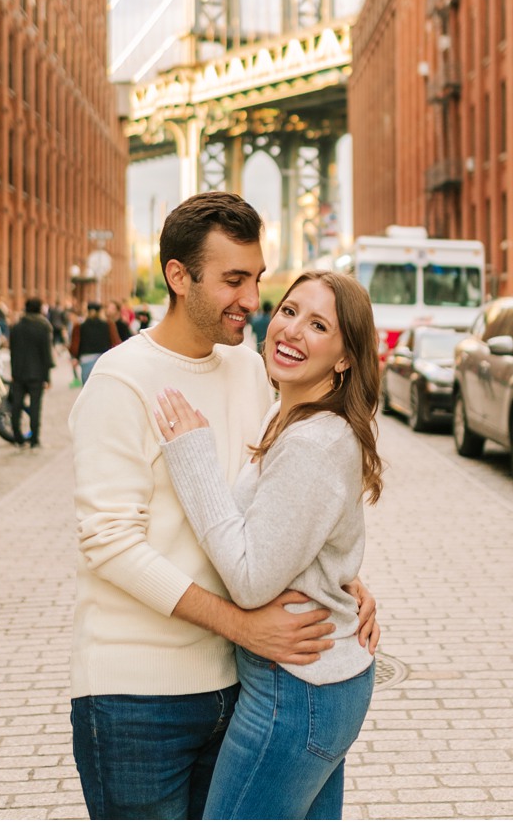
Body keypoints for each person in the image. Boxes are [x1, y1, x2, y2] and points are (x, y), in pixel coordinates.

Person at [68, 192, 377, 820]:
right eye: (233, 280)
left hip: (237, 685)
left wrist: (339, 579)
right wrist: (240, 624)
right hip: (137, 699)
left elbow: (272, 505)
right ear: (178, 277)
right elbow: (108, 542)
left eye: (257, 279)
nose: (252, 301)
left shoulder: (247, 369)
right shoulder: (120, 379)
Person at [153, 269, 382, 818]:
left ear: (345, 357)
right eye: (288, 311)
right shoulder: (292, 413)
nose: (293, 330)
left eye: (319, 324)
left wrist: (192, 457)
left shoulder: (313, 442)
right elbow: (301, 534)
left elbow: (253, 581)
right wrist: (337, 579)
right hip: (317, 685)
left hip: (295, 691)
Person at [7, 297, 55, 449]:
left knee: (16, 405)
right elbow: (46, 354)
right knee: (35, 407)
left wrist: (14, 371)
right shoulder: (43, 327)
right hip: (37, 374)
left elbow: (12, 351)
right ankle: (34, 439)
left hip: (19, 373)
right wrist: (47, 377)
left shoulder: (16, 327)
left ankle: (17, 437)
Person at [70, 301, 121, 386]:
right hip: (103, 359)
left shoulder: (79, 326)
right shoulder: (108, 324)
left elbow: (75, 344)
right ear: (101, 311)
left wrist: (75, 357)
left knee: (88, 389)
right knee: (102, 388)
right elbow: (115, 342)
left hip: (86, 359)